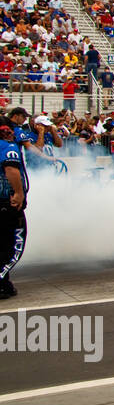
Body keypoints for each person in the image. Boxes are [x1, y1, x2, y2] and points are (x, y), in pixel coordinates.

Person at [0, 123, 29, 300]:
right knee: (12, 246)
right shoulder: (8, 146)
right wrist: (18, 193)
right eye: (9, 131)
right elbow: (11, 168)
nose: (12, 134)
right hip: (6, 203)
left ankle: (5, 283)